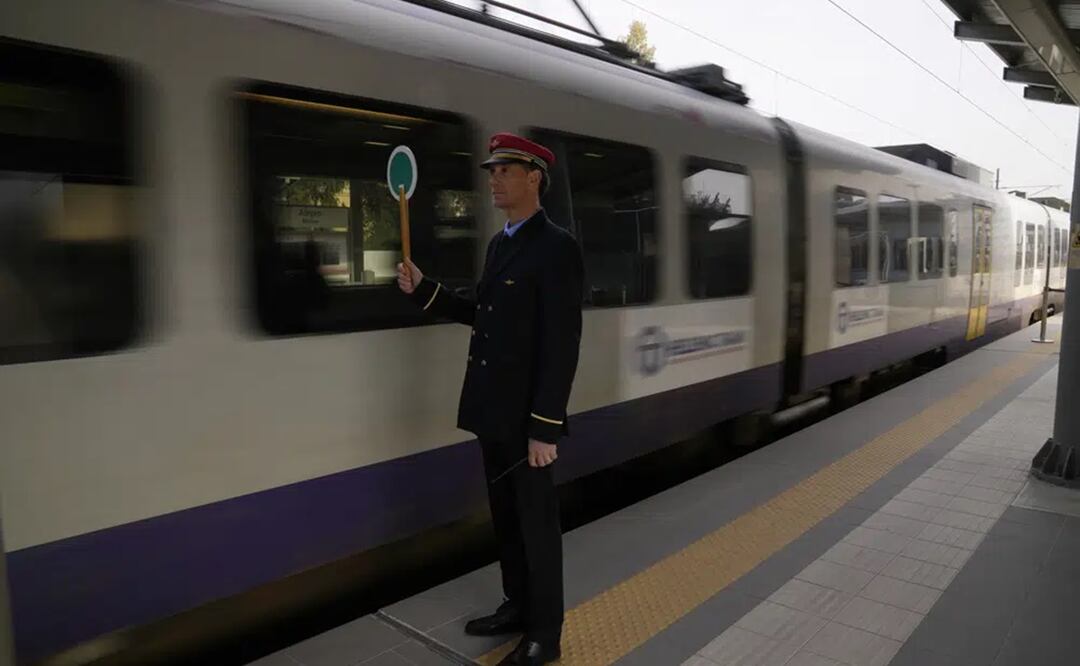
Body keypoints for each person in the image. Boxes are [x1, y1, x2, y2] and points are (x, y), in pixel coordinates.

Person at [397, 132, 584, 665]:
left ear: (534, 178)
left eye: (505, 170)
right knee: (506, 518)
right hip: (493, 412)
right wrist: (426, 290)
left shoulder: (556, 247)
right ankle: (516, 605)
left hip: (528, 419)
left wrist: (545, 427)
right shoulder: (501, 244)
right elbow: (484, 311)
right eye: (492, 170)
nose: (493, 179)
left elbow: (561, 344)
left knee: (537, 529)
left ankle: (545, 635)